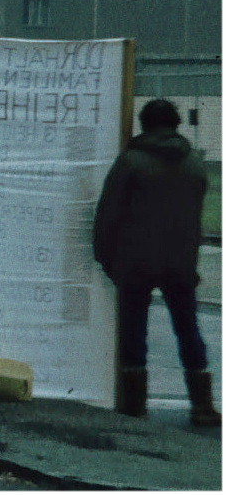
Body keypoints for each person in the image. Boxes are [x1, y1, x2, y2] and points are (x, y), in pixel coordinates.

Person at [94, 98, 220, 426]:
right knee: (188, 329)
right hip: (180, 261)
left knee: (134, 330)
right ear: (177, 124)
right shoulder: (193, 163)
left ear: (144, 123)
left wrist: (106, 256)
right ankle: (202, 405)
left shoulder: (131, 162)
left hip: (136, 260)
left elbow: (109, 213)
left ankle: (135, 404)